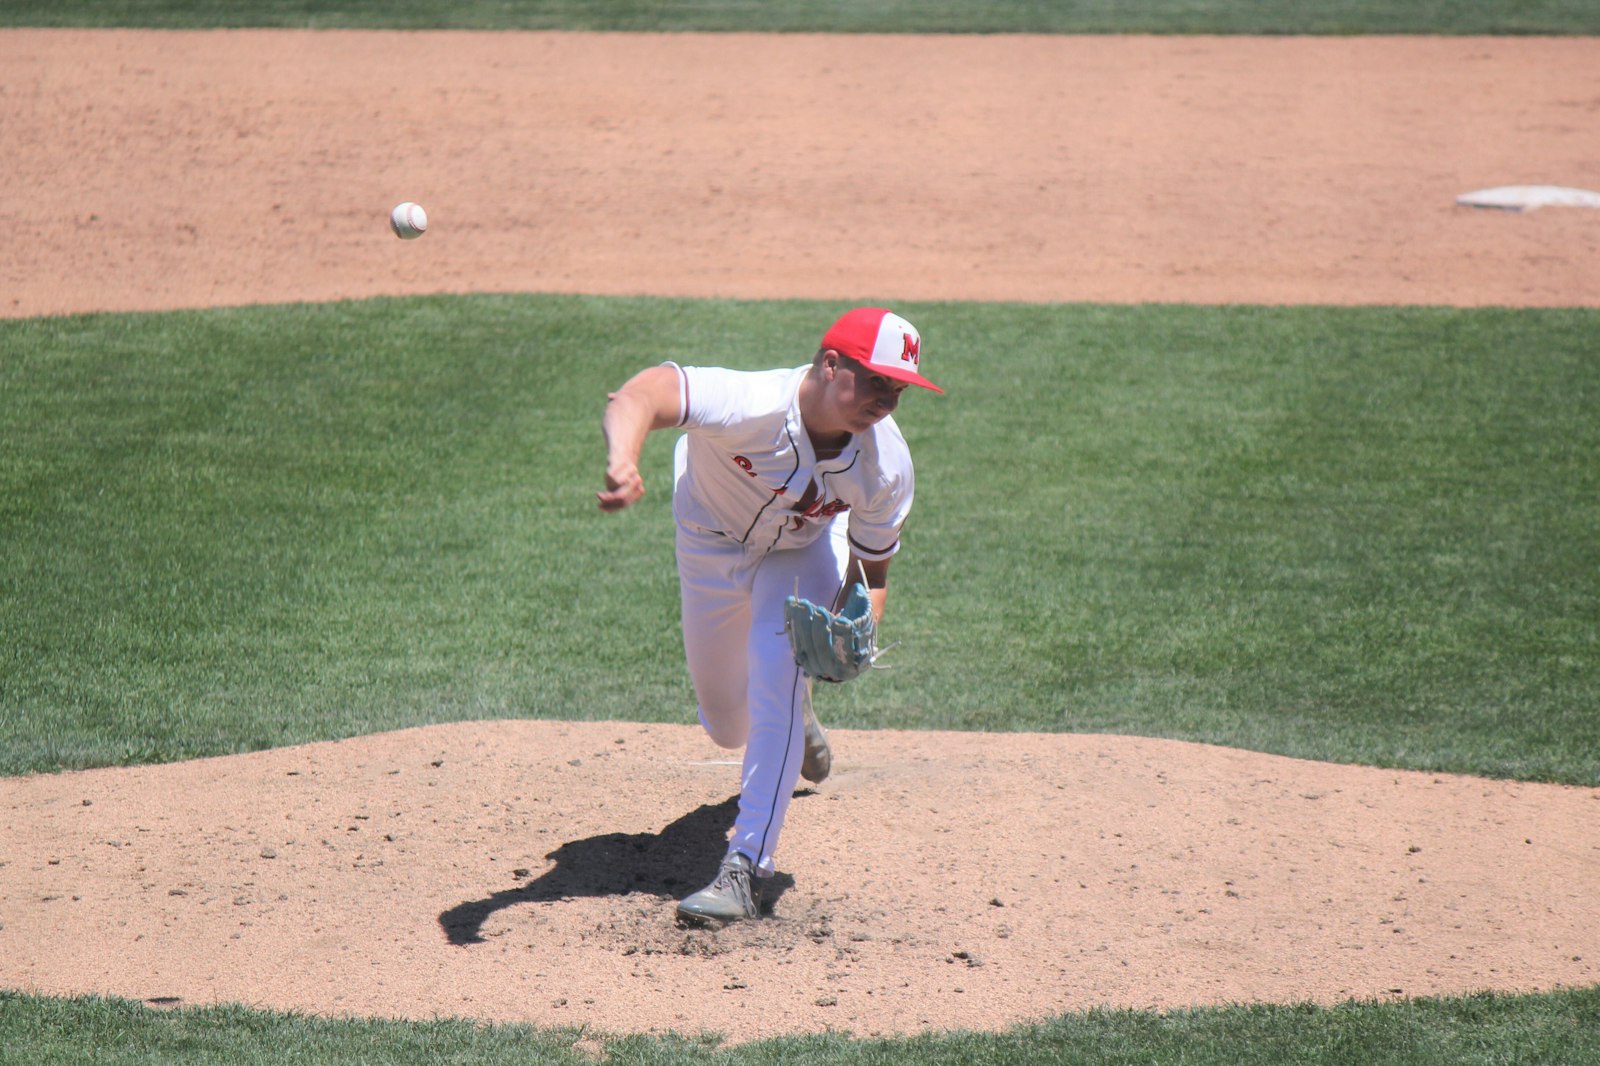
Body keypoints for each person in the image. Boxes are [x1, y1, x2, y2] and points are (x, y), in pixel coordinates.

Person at [596, 306, 943, 925]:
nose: (887, 400)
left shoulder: (885, 465)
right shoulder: (749, 403)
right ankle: (792, 710)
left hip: (799, 551)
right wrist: (624, 457)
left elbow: (872, 572)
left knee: (777, 666)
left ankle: (745, 868)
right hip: (707, 541)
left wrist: (855, 627)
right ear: (831, 364)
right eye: (876, 381)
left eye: (899, 390)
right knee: (728, 724)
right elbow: (640, 392)